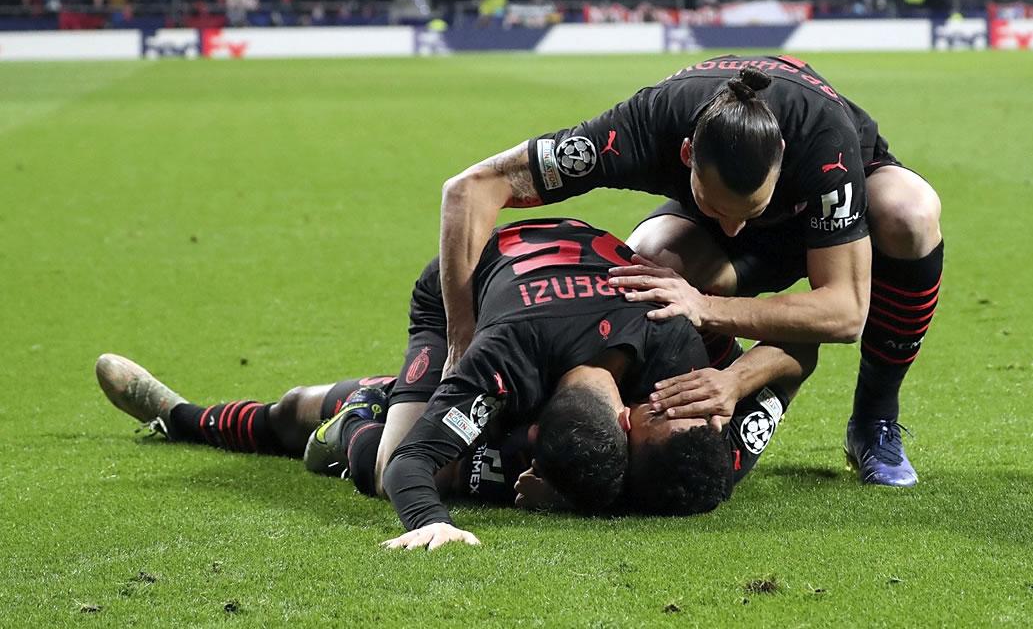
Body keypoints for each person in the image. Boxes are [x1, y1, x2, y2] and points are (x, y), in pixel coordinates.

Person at [95, 218, 806, 549]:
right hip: (460, 298)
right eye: (693, 402)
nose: (684, 398)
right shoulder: (530, 360)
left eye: (682, 409)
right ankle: (337, 414)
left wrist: (736, 379)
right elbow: (410, 469)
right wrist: (430, 522)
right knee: (393, 465)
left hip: (552, 313)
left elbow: (800, 351)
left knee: (485, 464)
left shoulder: (694, 420)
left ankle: (197, 416)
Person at [439, 55, 942, 487]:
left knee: (911, 214)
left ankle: (874, 421)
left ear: (782, 158)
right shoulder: (643, 125)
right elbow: (472, 188)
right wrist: (463, 338)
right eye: (716, 206)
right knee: (651, 264)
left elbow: (846, 313)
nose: (736, 228)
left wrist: (706, 308)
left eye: (749, 210)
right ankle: (641, 412)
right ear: (686, 157)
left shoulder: (822, 141)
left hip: (834, 215)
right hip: (723, 240)